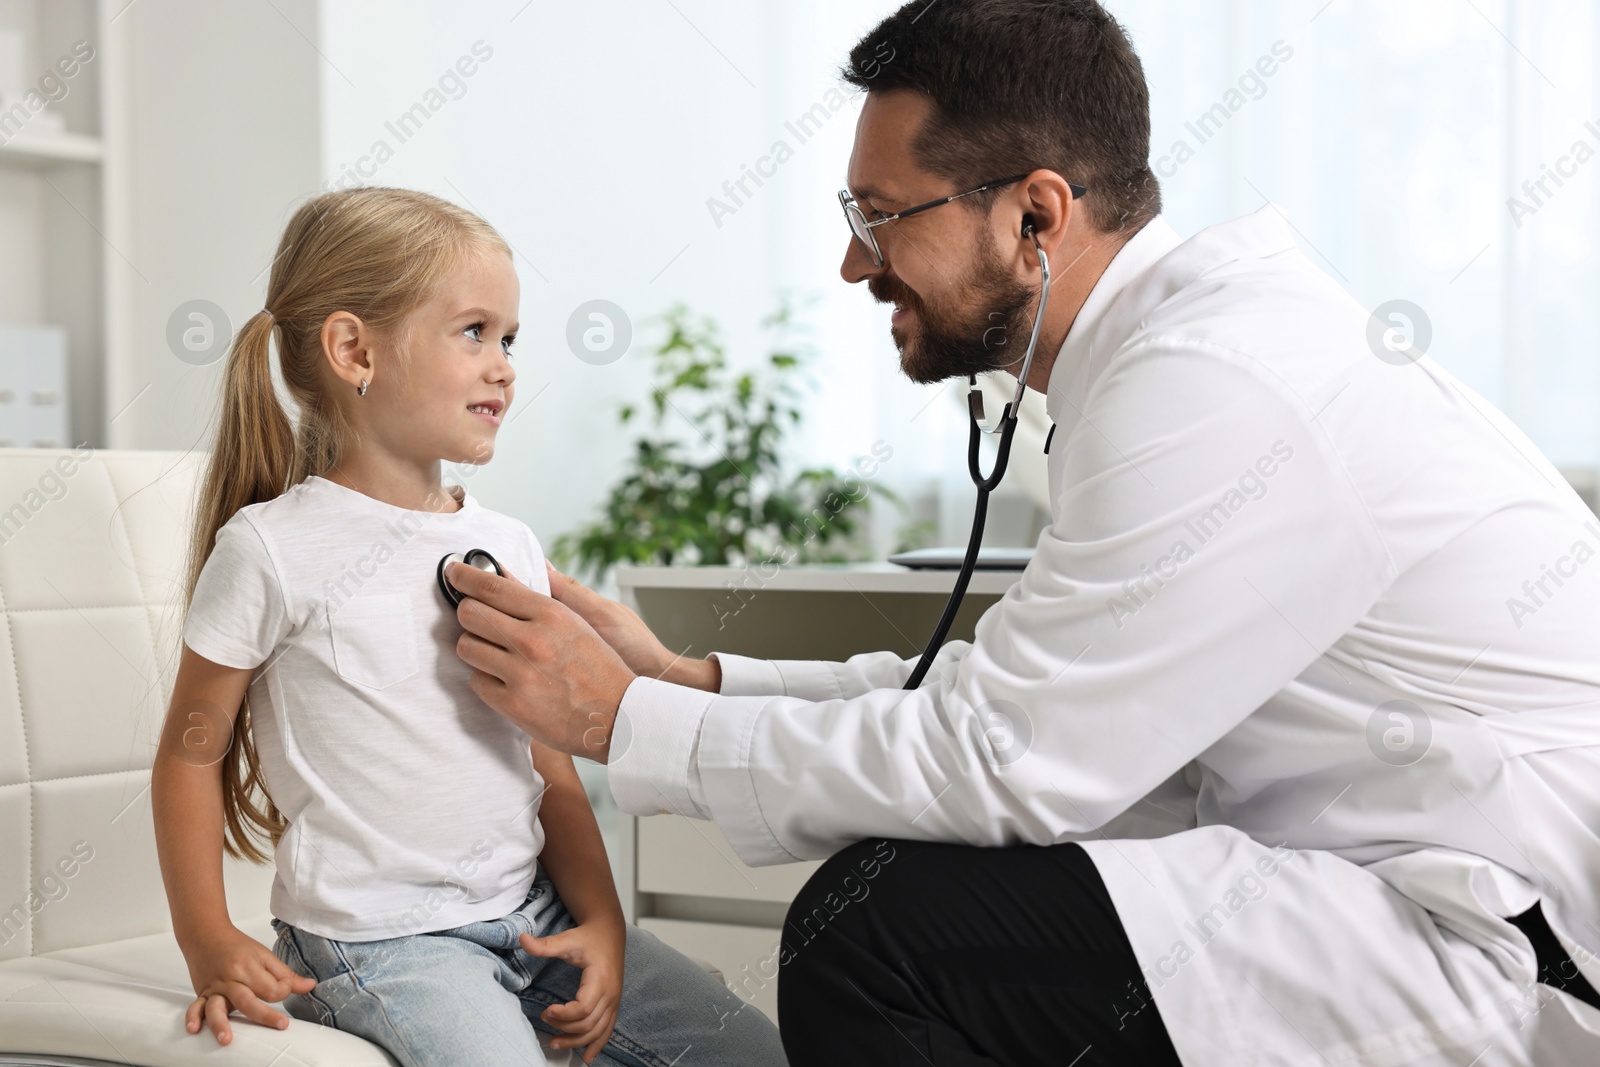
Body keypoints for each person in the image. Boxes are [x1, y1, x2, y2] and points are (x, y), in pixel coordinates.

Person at [444, 2, 1600, 1064]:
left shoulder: (1212, 384)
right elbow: (1032, 707)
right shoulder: (1176, 359)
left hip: (1494, 922)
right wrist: (691, 676)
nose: (854, 261)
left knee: (883, 934)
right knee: (920, 905)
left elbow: (1008, 755)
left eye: (879, 217)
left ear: (1035, 214)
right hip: (1391, 871)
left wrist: (619, 716)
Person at [150, 187, 786, 1067]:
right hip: (383, 942)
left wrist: (601, 922)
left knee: (749, 1052)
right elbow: (191, 749)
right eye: (474, 331)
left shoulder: (508, 545)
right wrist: (206, 935)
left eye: (510, 339)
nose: (505, 365)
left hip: (536, 913)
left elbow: (548, 758)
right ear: (352, 350)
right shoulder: (271, 548)